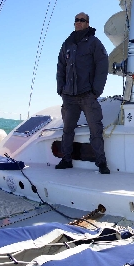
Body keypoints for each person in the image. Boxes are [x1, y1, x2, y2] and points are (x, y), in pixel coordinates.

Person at [55, 12, 110, 174]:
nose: (78, 22)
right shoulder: (68, 43)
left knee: (95, 129)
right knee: (67, 130)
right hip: (69, 96)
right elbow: (60, 67)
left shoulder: (94, 43)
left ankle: (101, 162)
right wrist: (61, 88)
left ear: (87, 23)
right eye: (76, 20)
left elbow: (102, 66)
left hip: (87, 95)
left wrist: (96, 91)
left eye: (82, 20)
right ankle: (66, 160)